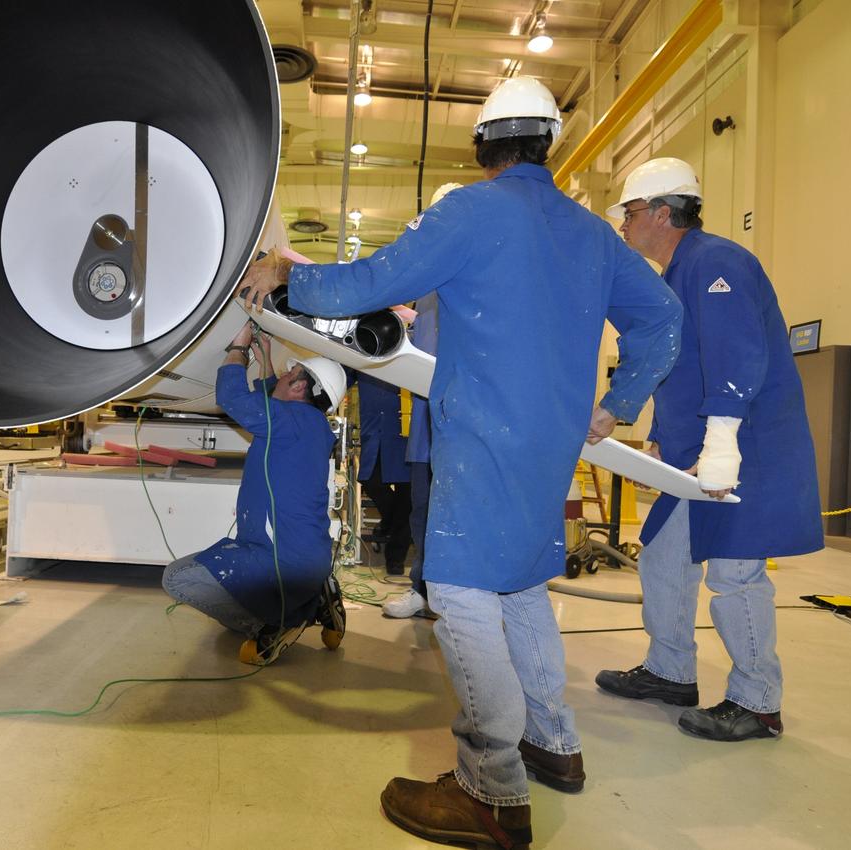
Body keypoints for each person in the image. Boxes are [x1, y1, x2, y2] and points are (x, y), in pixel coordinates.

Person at [239, 77, 683, 849]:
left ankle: (491, 788)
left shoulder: (472, 212)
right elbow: (663, 318)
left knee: (458, 588)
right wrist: (620, 401)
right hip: (552, 448)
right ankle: (556, 744)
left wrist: (287, 276)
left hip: (482, 440)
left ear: (482, 148)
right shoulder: (590, 234)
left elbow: (375, 281)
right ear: (549, 144)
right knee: (518, 589)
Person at [595, 157, 823, 740]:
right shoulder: (672, 277)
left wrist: (721, 444)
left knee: (735, 573)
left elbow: (736, 355)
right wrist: (644, 425)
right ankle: (670, 671)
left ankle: (757, 701)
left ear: (663, 213)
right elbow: (674, 362)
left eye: (631, 212)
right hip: (689, 454)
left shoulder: (718, 261)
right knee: (664, 558)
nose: (623, 224)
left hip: (739, 451)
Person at [161, 322, 349, 666]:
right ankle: (313, 596)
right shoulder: (307, 423)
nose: (279, 377)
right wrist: (264, 360)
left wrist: (240, 347)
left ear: (299, 387)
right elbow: (266, 398)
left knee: (178, 578)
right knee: (212, 589)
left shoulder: (292, 420)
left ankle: (284, 622)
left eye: (287, 374)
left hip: (280, 560)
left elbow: (233, 398)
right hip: (295, 555)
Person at [383, 182, 461, 621]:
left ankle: (454, 597)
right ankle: (423, 589)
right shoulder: (426, 285)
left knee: (455, 513)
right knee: (422, 511)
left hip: (460, 425)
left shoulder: (471, 280)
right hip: (426, 428)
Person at [353, 371, 413, 575]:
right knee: (370, 480)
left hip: (405, 433)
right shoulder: (363, 351)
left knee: (407, 496)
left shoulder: (412, 343)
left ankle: (395, 558)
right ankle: (389, 524)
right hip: (375, 431)